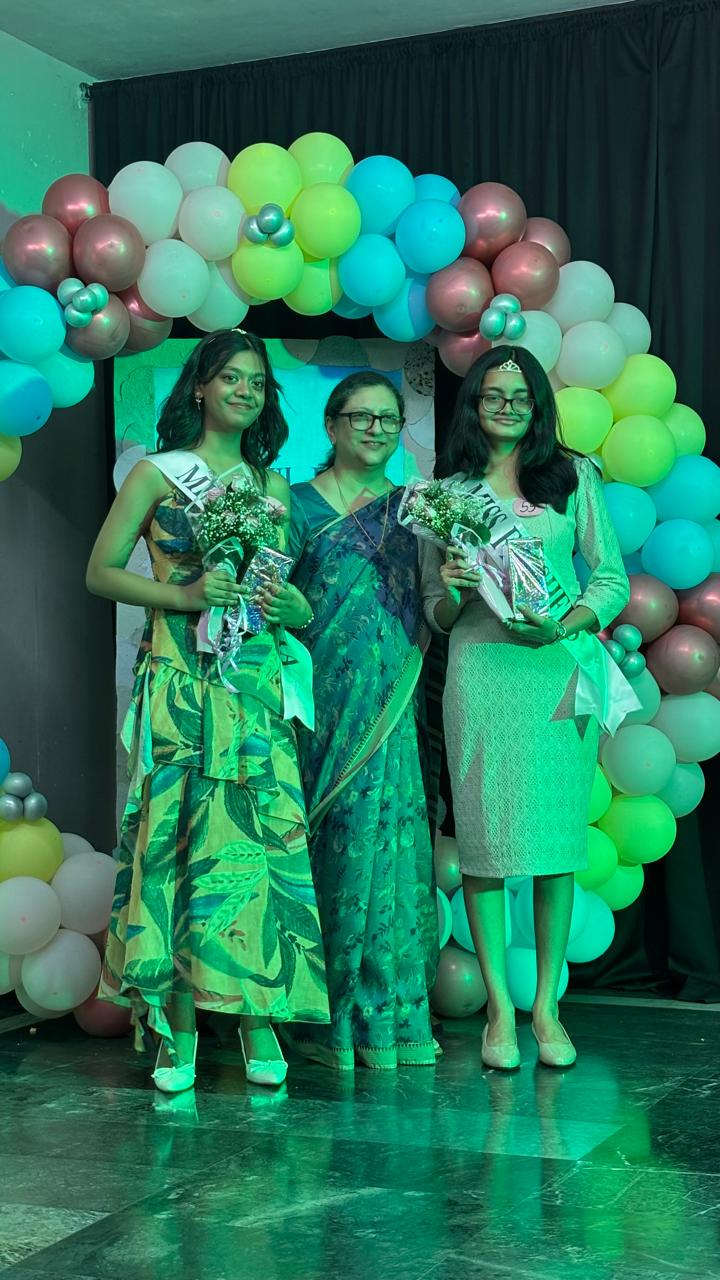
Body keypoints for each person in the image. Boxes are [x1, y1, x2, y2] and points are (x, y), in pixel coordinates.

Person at [87, 329, 329, 1093]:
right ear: (200, 385)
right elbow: (100, 572)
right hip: (179, 679)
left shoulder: (273, 485)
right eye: (231, 378)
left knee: (253, 843)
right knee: (180, 842)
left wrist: (294, 606)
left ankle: (258, 1015)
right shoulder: (156, 474)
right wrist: (185, 595)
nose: (245, 391)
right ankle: (178, 1026)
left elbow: (278, 595)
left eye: (257, 382)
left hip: (252, 683)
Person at [420, 346, 629, 1070]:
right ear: (474, 405)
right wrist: (453, 588)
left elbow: (610, 579)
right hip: (481, 672)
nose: (507, 408)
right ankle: (499, 1013)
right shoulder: (448, 494)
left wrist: (566, 625)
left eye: (520, 397)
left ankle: (546, 1008)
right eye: (493, 396)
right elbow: (436, 613)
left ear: (538, 405)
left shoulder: (572, 476)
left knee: (552, 848)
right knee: (483, 843)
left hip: (555, 675)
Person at [285, 371, 439, 1071]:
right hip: (318, 700)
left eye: (388, 419)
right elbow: (267, 600)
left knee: (392, 842)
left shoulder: (418, 511)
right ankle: (324, 1017)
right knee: (333, 840)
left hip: (392, 703)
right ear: (332, 424)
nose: (375, 430)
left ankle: (389, 1012)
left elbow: (436, 609)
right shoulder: (294, 505)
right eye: (361, 417)